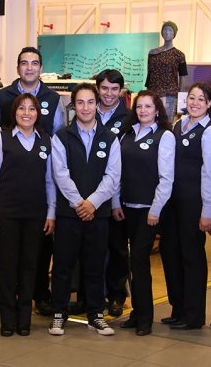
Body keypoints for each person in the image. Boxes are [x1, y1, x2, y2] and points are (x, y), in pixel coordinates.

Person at [0, 46, 65, 316]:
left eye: (34, 63)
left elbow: (58, 135)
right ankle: (4, 298)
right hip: (10, 184)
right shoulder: (2, 96)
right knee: (8, 253)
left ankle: (40, 295)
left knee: (39, 250)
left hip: (39, 182)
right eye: (24, 63)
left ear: (41, 68)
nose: (29, 68)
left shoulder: (53, 98)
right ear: (18, 67)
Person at [49, 83, 121, 336]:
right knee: (63, 266)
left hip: (98, 215)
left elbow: (113, 176)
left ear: (97, 105)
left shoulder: (110, 138)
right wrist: (80, 203)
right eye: (80, 102)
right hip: (69, 214)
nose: (86, 107)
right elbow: (60, 174)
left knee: (95, 266)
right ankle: (59, 314)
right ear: (74, 106)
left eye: (90, 102)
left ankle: (95, 315)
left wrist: (93, 203)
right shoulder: (61, 137)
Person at [0, 93, 56, 337]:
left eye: (31, 109)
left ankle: (24, 318)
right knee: (7, 266)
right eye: (21, 108)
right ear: (14, 113)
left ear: (38, 113)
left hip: (36, 214)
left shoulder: (46, 140)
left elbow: (50, 181)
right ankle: (8, 319)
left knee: (29, 266)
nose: (26, 113)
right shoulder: (1, 139)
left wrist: (51, 213)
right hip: (7, 213)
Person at [160, 82, 211, 330]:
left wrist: (208, 211)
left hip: (194, 203)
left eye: (201, 99)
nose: (195, 103)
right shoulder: (178, 125)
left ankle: (193, 315)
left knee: (192, 257)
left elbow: (210, 172)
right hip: (172, 202)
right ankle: (177, 308)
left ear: (209, 104)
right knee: (170, 253)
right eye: (192, 98)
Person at [112, 90, 175, 336]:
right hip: (126, 208)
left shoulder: (164, 136)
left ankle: (145, 318)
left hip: (149, 211)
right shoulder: (126, 134)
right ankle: (136, 314)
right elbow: (116, 172)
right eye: (139, 106)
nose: (143, 110)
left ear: (157, 110)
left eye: (148, 106)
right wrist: (116, 202)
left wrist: (155, 209)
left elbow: (166, 178)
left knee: (139, 260)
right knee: (130, 262)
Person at [96, 69, 130, 317]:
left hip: (117, 193)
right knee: (90, 248)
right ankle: (90, 296)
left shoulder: (129, 118)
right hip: (88, 193)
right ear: (98, 89)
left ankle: (117, 296)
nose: (109, 94)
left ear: (121, 91)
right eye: (105, 88)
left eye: (114, 89)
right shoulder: (86, 110)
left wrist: (116, 198)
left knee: (117, 247)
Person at [144, 21, 188, 122]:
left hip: (170, 95)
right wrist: (146, 94)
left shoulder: (179, 55)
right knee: (151, 121)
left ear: (174, 33)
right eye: (165, 30)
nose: (167, 32)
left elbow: (182, 77)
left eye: (170, 30)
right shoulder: (152, 53)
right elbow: (149, 75)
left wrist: (181, 100)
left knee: (167, 123)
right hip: (153, 94)